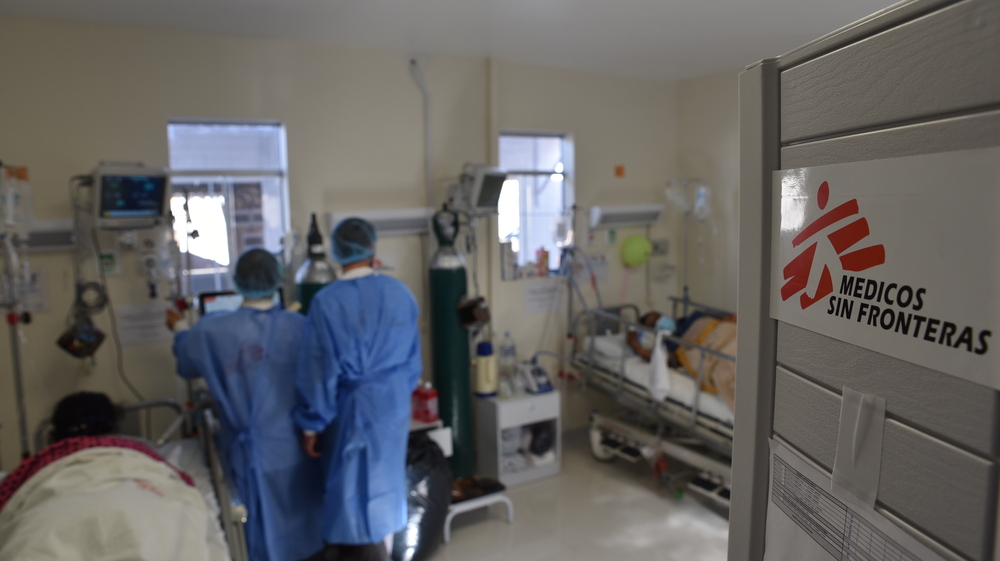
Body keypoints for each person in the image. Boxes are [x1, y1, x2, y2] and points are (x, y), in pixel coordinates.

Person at [170, 248, 324, 561]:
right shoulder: (301, 326)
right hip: (297, 449)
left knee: (260, 533)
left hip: (250, 455)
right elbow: (318, 384)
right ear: (276, 280)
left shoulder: (213, 330)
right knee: (305, 526)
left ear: (237, 281)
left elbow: (187, 361)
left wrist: (178, 327)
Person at [295, 218, 422, 561]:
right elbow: (412, 364)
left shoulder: (326, 302)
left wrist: (312, 425)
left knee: (352, 490)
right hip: (393, 408)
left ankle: (362, 551)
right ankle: (380, 548)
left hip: (351, 410)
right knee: (386, 480)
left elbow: (318, 373)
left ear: (337, 253)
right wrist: (391, 394)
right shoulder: (401, 294)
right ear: (372, 248)